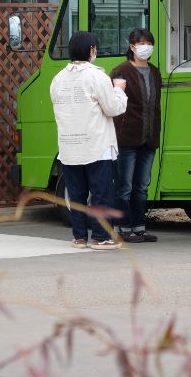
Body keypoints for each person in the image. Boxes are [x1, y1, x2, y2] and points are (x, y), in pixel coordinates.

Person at [50, 31, 128, 250]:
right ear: (92, 50)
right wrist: (119, 91)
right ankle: (101, 237)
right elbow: (113, 108)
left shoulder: (58, 79)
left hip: (69, 146)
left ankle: (79, 237)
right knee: (101, 193)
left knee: (77, 194)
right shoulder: (97, 76)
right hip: (96, 145)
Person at [110, 28, 162, 244]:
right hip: (126, 137)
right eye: (141, 43)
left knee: (141, 186)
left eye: (149, 43)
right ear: (131, 46)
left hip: (149, 137)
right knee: (124, 186)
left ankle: (139, 228)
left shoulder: (155, 71)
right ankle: (122, 228)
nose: (145, 47)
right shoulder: (120, 71)